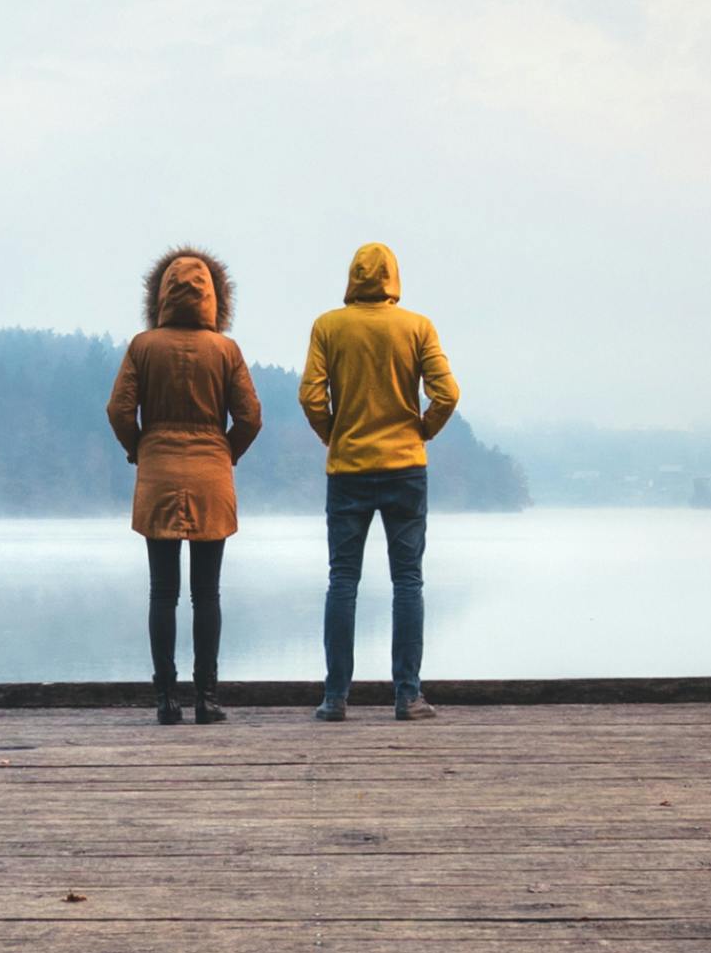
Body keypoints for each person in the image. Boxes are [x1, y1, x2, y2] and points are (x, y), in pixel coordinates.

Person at [299, 241, 458, 720]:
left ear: (353, 277)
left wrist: (335, 435)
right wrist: (421, 430)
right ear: (393, 278)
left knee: (342, 580)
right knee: (407, 580)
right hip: (406, 468)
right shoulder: (416, 327)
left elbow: (311, 396)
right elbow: (446, 393)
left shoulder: (329, 326)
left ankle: (334, 698)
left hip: (348, 469)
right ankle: (407, 696)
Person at [106, 246, 261, 725]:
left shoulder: (142, 346)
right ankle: (208, 699)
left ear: (162, 296)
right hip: (213, 477)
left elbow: (118, 410)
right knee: (207, 594)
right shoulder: (226, 351)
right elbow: (251, 417)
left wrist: (139, 448)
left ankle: (165, 700)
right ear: (214, 298)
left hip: (157, 475)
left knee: (163, 593)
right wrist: (226, 451)